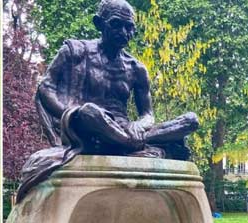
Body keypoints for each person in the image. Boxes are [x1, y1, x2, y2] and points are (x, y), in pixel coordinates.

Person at [16, 0, 198, 202]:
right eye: (116, 24)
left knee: (190, 120)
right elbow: (45, 88)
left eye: (129, 27)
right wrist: (70, 113)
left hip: (123, 130)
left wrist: (138, 125)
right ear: (99, 23)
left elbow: (148, 114)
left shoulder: (136, 68)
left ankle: (126, 143)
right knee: (90, 111)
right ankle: (130, 144)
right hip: (86, 127)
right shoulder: (75, 51)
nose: (124, 32)